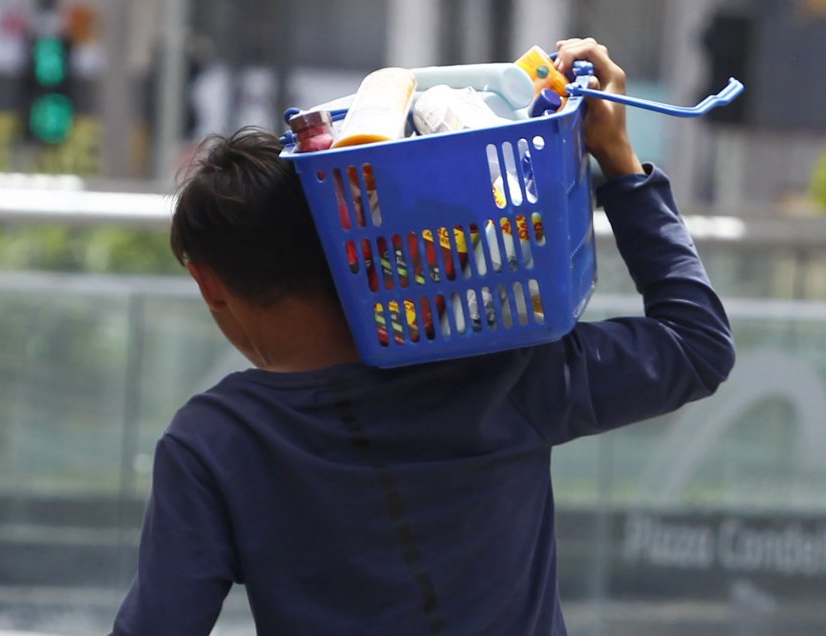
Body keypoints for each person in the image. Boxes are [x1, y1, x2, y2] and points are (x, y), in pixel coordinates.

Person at [110, 38, 735, 635]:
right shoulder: (501, 372)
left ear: (209, 282)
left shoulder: (216, 443)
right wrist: (620, 161)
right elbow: (696, 345)